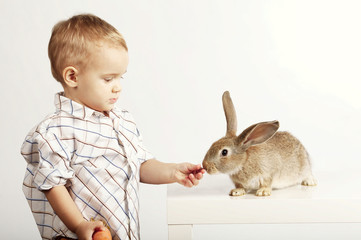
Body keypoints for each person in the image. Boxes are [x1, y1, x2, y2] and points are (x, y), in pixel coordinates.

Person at [21, 14, 205, 240]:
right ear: (72, 76)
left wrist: (172, 171)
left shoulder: (122, 121)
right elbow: (52, 185)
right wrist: (79, 225)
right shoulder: (56, 131)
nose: (117, 87)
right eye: (108, 79)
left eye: (121, 78)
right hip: (81, 235)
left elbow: (138, 164)